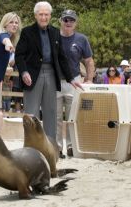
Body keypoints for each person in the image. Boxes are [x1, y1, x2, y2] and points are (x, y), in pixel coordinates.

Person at [15, 1, 82, 141]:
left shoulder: (55, 32)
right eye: (41, 14)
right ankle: (30, 144)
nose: (43, 17)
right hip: (32, 75)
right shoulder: (27, 32)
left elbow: (61, 57)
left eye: (46, 14)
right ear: (35, 15)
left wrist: (71, 79)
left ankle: (50, 146)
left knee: (50, 112)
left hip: (51, 74)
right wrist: (24, 72)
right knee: (31, 113)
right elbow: (19, 55)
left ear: (50, 16)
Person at [56, 9, 95, 158]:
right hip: (55, 82)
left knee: (73, 117)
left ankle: (72, 147)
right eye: (65, 20)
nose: (68, 23)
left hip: (75, 82)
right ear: (60, 20)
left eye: (71, 20)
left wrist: (89, 79)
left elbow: (89, 61)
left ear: (75, 22)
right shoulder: (53, 37)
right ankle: (58, 148)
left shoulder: (81, 39)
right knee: (56, 118)